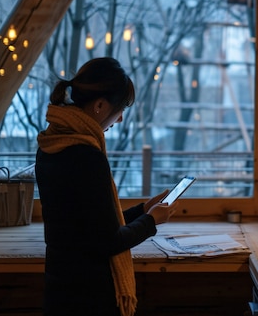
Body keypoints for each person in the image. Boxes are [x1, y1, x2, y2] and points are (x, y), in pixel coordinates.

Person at [35, 57, 177, 316]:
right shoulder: (87, 156)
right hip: (88, 295)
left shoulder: (51, 143)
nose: (120, 118)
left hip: (60, 286)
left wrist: (144, 209)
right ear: (100, 105)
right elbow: (109, 241)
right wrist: (151, 221)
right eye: (120, 108)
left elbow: (89, 223)